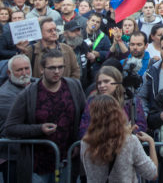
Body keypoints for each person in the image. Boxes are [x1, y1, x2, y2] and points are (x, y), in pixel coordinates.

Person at [3, 49, 86, 182]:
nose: (57, 71)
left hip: (66, 161)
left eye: (60, 67)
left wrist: (78, 143)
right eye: (52, 68)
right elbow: (10, 128)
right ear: (42, 69)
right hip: (38, 165)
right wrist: (39, 129)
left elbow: (85, 118)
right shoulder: (27, 94)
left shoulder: (74, 86)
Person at [80, 94, 158, 182]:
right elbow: (152, 173)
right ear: (118, 113)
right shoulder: (130, 141)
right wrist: (151, 142)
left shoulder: (86, 142)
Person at [78, 66, 147, 138]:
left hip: (126, 145)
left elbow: (141, 127)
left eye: (106, 81)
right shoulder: (92, 101)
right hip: (98, 145)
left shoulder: (130, 100)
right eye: (99, 83)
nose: (102, 85)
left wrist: (130, 132)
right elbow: (84, 129)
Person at [0, 55, 35, 183]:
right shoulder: (4, 94)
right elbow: (28, 118)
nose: (24, 73)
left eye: (27, 68)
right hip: (12, 156)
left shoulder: (36, 83)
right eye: (19, 70)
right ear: (9, 73)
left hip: (30, 154)